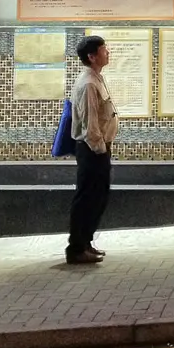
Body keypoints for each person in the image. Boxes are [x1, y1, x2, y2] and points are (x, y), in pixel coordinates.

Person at [65, 35, 118, 265]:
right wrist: (100, 150)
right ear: (92, 56)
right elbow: (90, 124)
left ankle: (85, 242)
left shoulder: (96, 78)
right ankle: (76, 248)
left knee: (97, 197)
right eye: (104, 50)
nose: (108, 53)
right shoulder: (88, 83)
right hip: (92, 150)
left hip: (97, 149)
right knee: (87, 198)